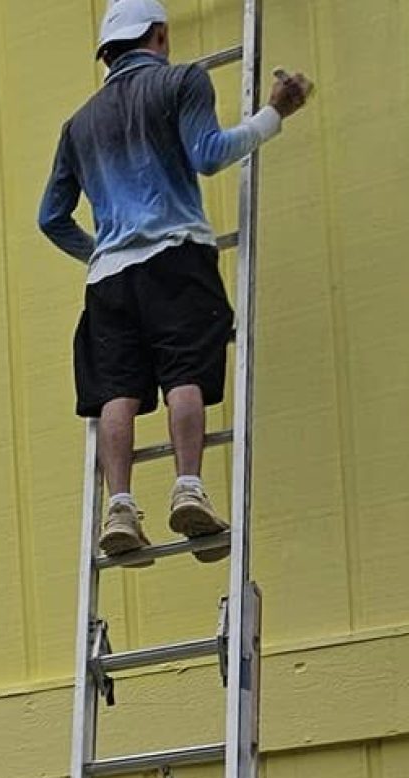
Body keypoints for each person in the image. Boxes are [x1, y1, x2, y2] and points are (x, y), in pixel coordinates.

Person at [38, 0, 313, 563]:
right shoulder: (182, 81)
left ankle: (119, 505)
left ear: (107, 52)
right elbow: (208, 156)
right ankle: (188, 486)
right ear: (159, 35)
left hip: (110, 278)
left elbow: (51, 218)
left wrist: (100, 252)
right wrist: (274, 113)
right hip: (175, 257)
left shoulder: (78, 124)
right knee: (184, 371)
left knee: (116, 390)